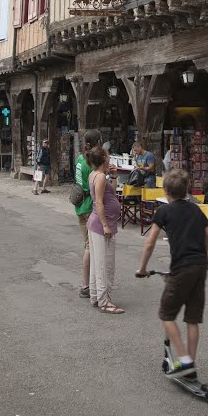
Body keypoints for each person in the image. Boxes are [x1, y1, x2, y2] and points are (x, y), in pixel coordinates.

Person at [136, 169, 208, 378]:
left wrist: (142, 269)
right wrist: (202, 257)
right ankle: (192, 363)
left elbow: (150, 241)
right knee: (192, 318)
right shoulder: (196, 210)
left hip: (182, 267)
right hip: (200, 266)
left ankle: (185, 360)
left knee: (166, 314)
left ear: (166, 191)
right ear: (186, 190)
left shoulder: (164, 211)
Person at [88, 145, 123, 313]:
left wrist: (114, 176)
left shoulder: (97, 175)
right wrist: (105, 225)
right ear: (103, 159)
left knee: (97, 263)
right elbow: (99, 202)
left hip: (98, 223)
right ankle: (104, 301)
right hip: (102, 224)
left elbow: (112, 194)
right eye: (107, 156)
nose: (109, 158)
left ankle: (96, 296)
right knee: (104, 264)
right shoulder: (100, 177)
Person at [74, 129, 102, 299]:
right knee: (89, 247)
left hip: (80, 205)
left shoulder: (79, 158)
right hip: (88, 206)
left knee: (87, 245)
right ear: (98, 142)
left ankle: (89, 282)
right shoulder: (90, 162)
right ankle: (86, 284)